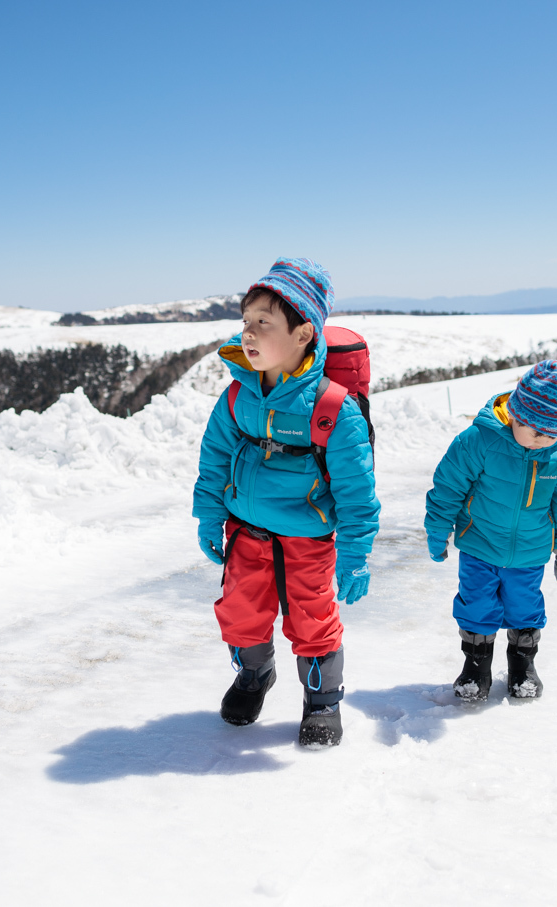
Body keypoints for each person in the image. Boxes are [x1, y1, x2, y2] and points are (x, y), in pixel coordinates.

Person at [193, 258, 380, 746]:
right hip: (246, 533)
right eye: (246, 322)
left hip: (308, 540)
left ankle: (321, 702)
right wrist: (210, 517)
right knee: (239, 614)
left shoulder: (332, 408)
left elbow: (358, 492)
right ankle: (255, 675)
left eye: (264, 323)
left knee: (313, 622)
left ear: (303, 335)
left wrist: (357, 555)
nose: (249, 334)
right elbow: (213, 460)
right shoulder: (237, 396)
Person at [423, 360, 557, 702]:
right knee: (477, 604)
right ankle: (476, 666)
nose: (542, 441)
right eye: (535, 431)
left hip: (530, 552)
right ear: (515, 413)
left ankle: (522, 666)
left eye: (554, 433)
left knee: (526, 607)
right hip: (480, 545)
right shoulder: (479, 441)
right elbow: (447, 487)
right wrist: (438, 528)